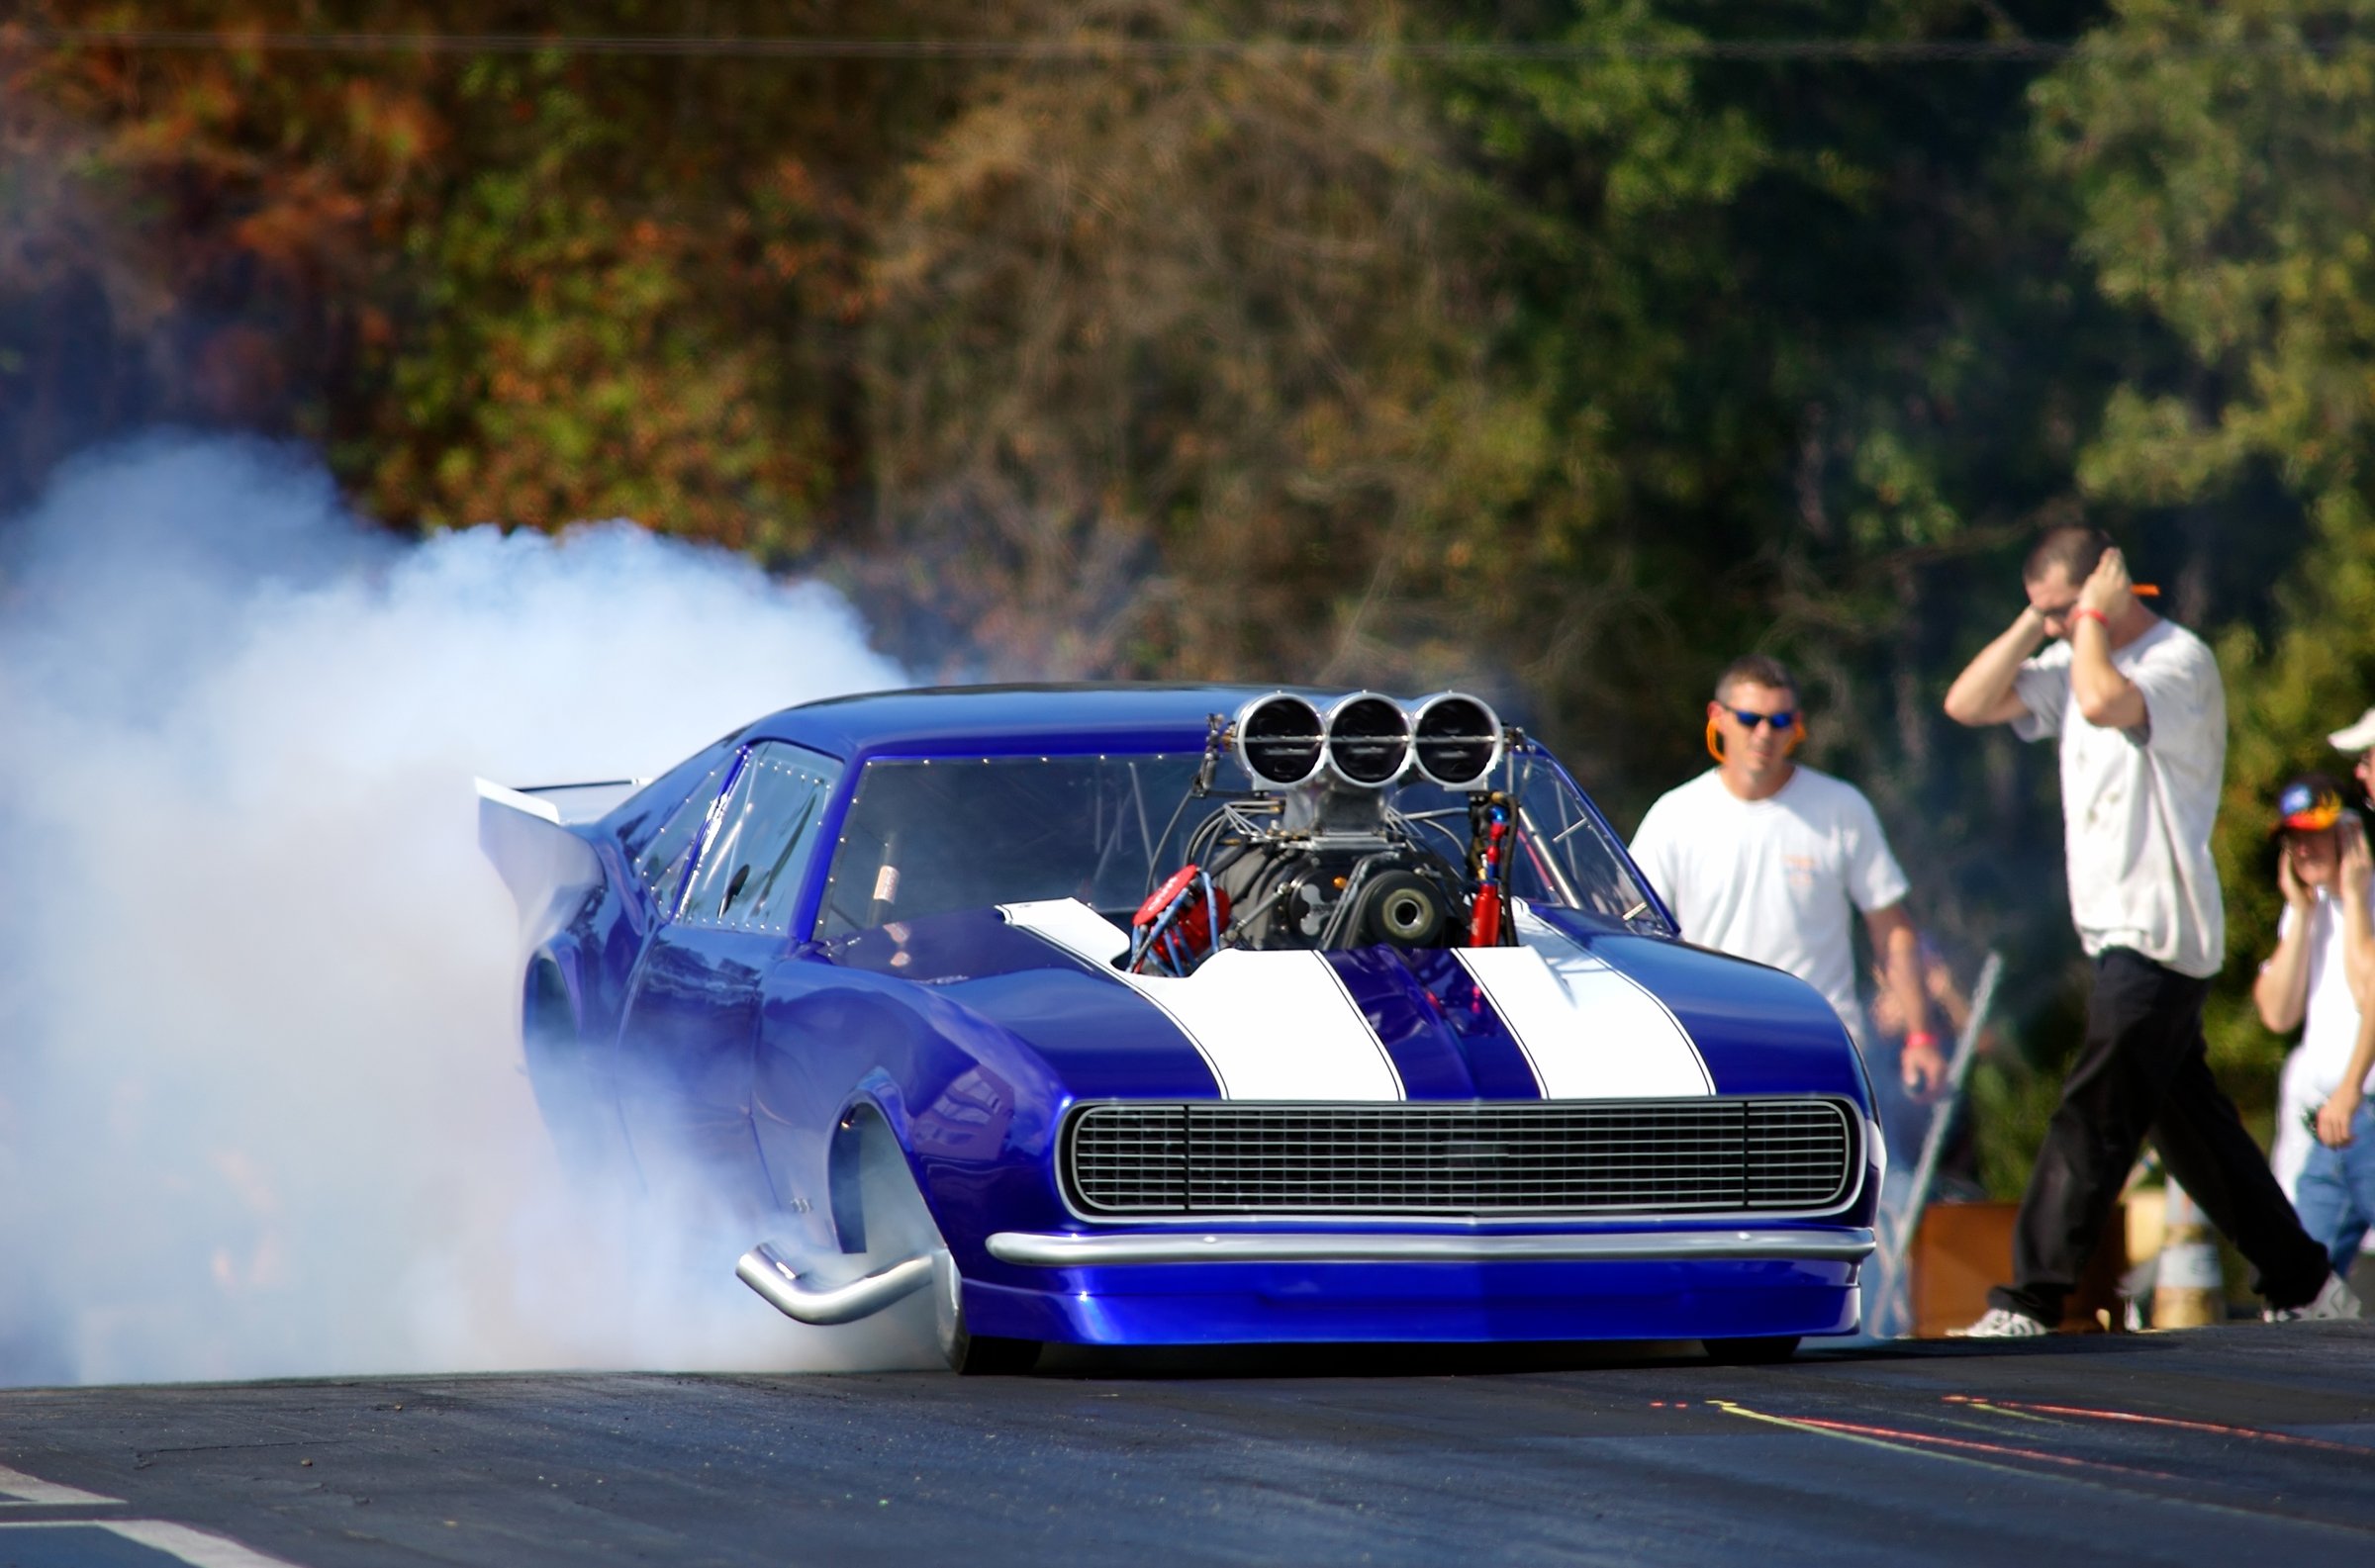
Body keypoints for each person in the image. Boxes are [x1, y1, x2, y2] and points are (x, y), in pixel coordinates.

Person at [1941, 524, 2358, 1333]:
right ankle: (2307, 1284)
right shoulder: (2071, 655)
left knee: (2092, 1113)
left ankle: (2030, 1297)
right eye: (2050, 617)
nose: (2062, 629)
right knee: (2199, 1136)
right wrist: (2040, 620)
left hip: (2159, 932)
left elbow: (2101, 702)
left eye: (2067, 609)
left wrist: (2089, 618)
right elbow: (1967, 702)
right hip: (2118, 938)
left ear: (2109, 582)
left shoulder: (2179, 662)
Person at [1630, 653, 1945, 1099]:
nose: (1764, 734)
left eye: (1779, 721)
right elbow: (1630, 935)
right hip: (1712, 1048)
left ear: (1795, 725)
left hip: (1822, 1048)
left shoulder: (1841, 807)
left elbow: (1892, 930)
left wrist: (1920, 1038)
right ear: (1717, 718)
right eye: (1749, 718)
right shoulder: (1675, 815)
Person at [2253, 776, 2375, 1203]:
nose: (2302, 849)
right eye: (2292, 838)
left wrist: (2357, 899)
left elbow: (2369, 996)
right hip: (2326, 1126)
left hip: (2366, 1116)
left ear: (2350, 832)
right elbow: (2277, 1014)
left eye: (2314, 834)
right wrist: (2302, 915)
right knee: (2303, 1262)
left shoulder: (2369, 899)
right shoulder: (2308, 906)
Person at [2300, 959, 2375, 1276]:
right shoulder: (2319, 910)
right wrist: (2302, 919)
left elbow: (2365, 987)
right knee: (2300, 1279)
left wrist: (2351, 1085)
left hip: (2361, 1109)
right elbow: (2277, 1015)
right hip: (2332, 1122)